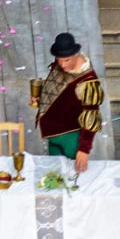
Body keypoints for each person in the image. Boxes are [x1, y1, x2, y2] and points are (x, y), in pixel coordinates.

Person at [33, 33, 104, 172]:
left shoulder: (87, 81)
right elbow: (59, 92)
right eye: (59, 60)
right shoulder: (60, 64)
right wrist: (40, 99)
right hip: (52, 135)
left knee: (74, 178)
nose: (63, 65)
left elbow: (92, 115)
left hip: (72, 138)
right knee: (54, 177)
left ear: (76, 55)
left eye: (67, 60)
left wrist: (84, 149)